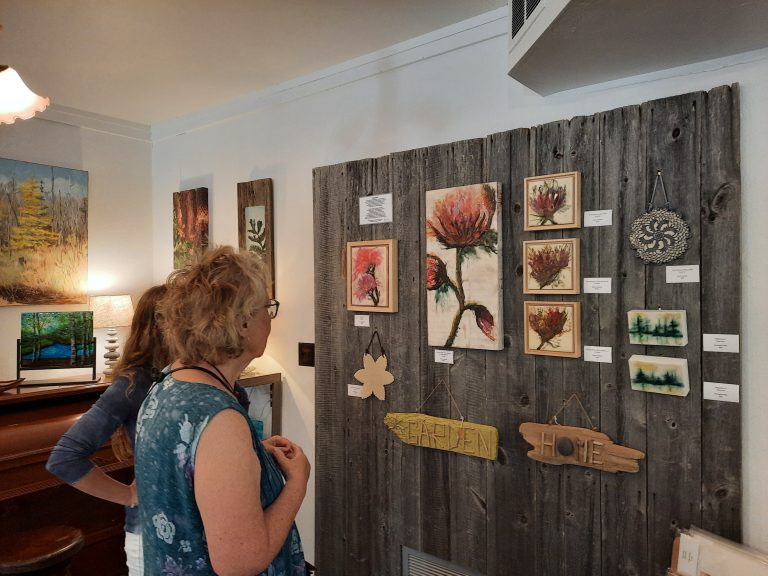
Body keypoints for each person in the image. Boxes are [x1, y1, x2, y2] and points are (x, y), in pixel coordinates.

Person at [135, 246, 309, 576]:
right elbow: (240, 562)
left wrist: (251, 456)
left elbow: (192, 475)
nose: (269, 320)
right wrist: (297, 483)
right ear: (243, 322)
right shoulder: (219, 420)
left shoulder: (169, 382)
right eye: (267, 309)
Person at [47, 285, 171, 576]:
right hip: (149, 536)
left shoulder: (188, 377)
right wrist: (127, 495)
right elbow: (64, 458)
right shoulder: (134, 383)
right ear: (160, 324)